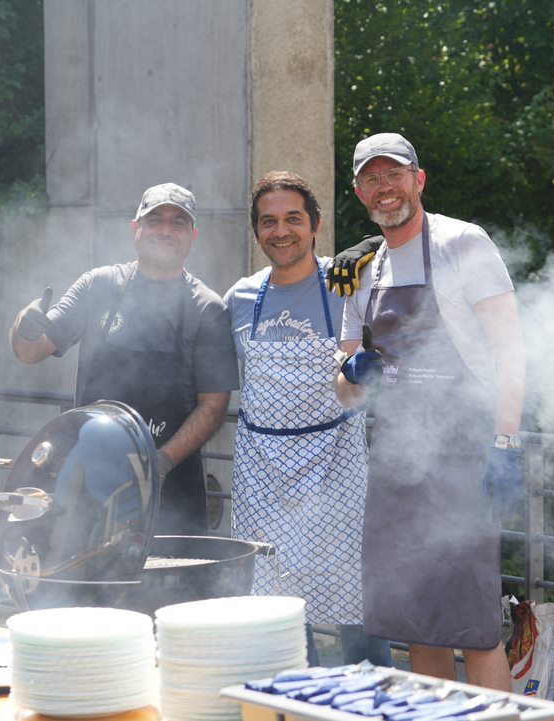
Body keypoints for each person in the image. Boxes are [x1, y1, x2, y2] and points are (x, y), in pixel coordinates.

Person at [334, 133, 526, 689]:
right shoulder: (361, 269)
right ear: (359, 192)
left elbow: (511, 349)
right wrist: (353, 375)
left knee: (476, 625)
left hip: (465, 457)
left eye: (394, 175)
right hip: (396, 462)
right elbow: (345, 391)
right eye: (371, 179)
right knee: (415, 623)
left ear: (418, 181)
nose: (383, 187)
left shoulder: (464, 244)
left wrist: (506, 445)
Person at [223, 170, 390, 667]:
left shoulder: (347, 282)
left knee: (356, 604)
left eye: (293, 218)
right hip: (262, 473)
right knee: (276, 607)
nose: (281, 231)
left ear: (315, 225)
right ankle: (298, 696)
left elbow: (411, 248)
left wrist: (373, 245)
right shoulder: (240, 298)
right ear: (256, 232)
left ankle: (375, 698)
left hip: (335, 465)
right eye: (269, 222)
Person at [10, 182, 239, 537]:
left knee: (176, 591)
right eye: (155, 220)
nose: (165, 230)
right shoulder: (98, 287)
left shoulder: (206, 308)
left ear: (193, 235)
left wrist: (158, 465)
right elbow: (29, 351)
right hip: (89, 481)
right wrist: (24, 324)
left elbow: (213, 406)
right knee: (86, 587)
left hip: (171, 490)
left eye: (178, 223)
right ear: (136, 229)